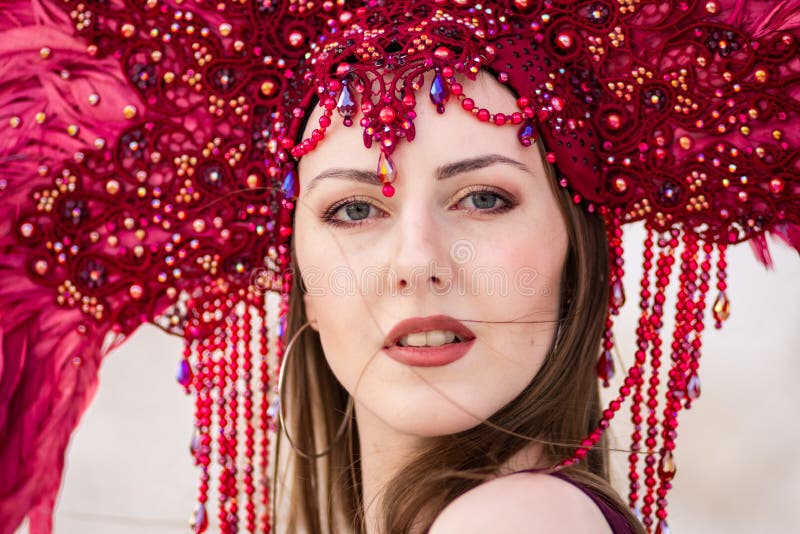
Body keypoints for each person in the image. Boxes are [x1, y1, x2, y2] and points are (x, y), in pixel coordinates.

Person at [0, 1, 798, 533]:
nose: (417, 262)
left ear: (577, 255)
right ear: (299, 277)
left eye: (484, 199)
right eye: (353, 210)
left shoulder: (516, 521)